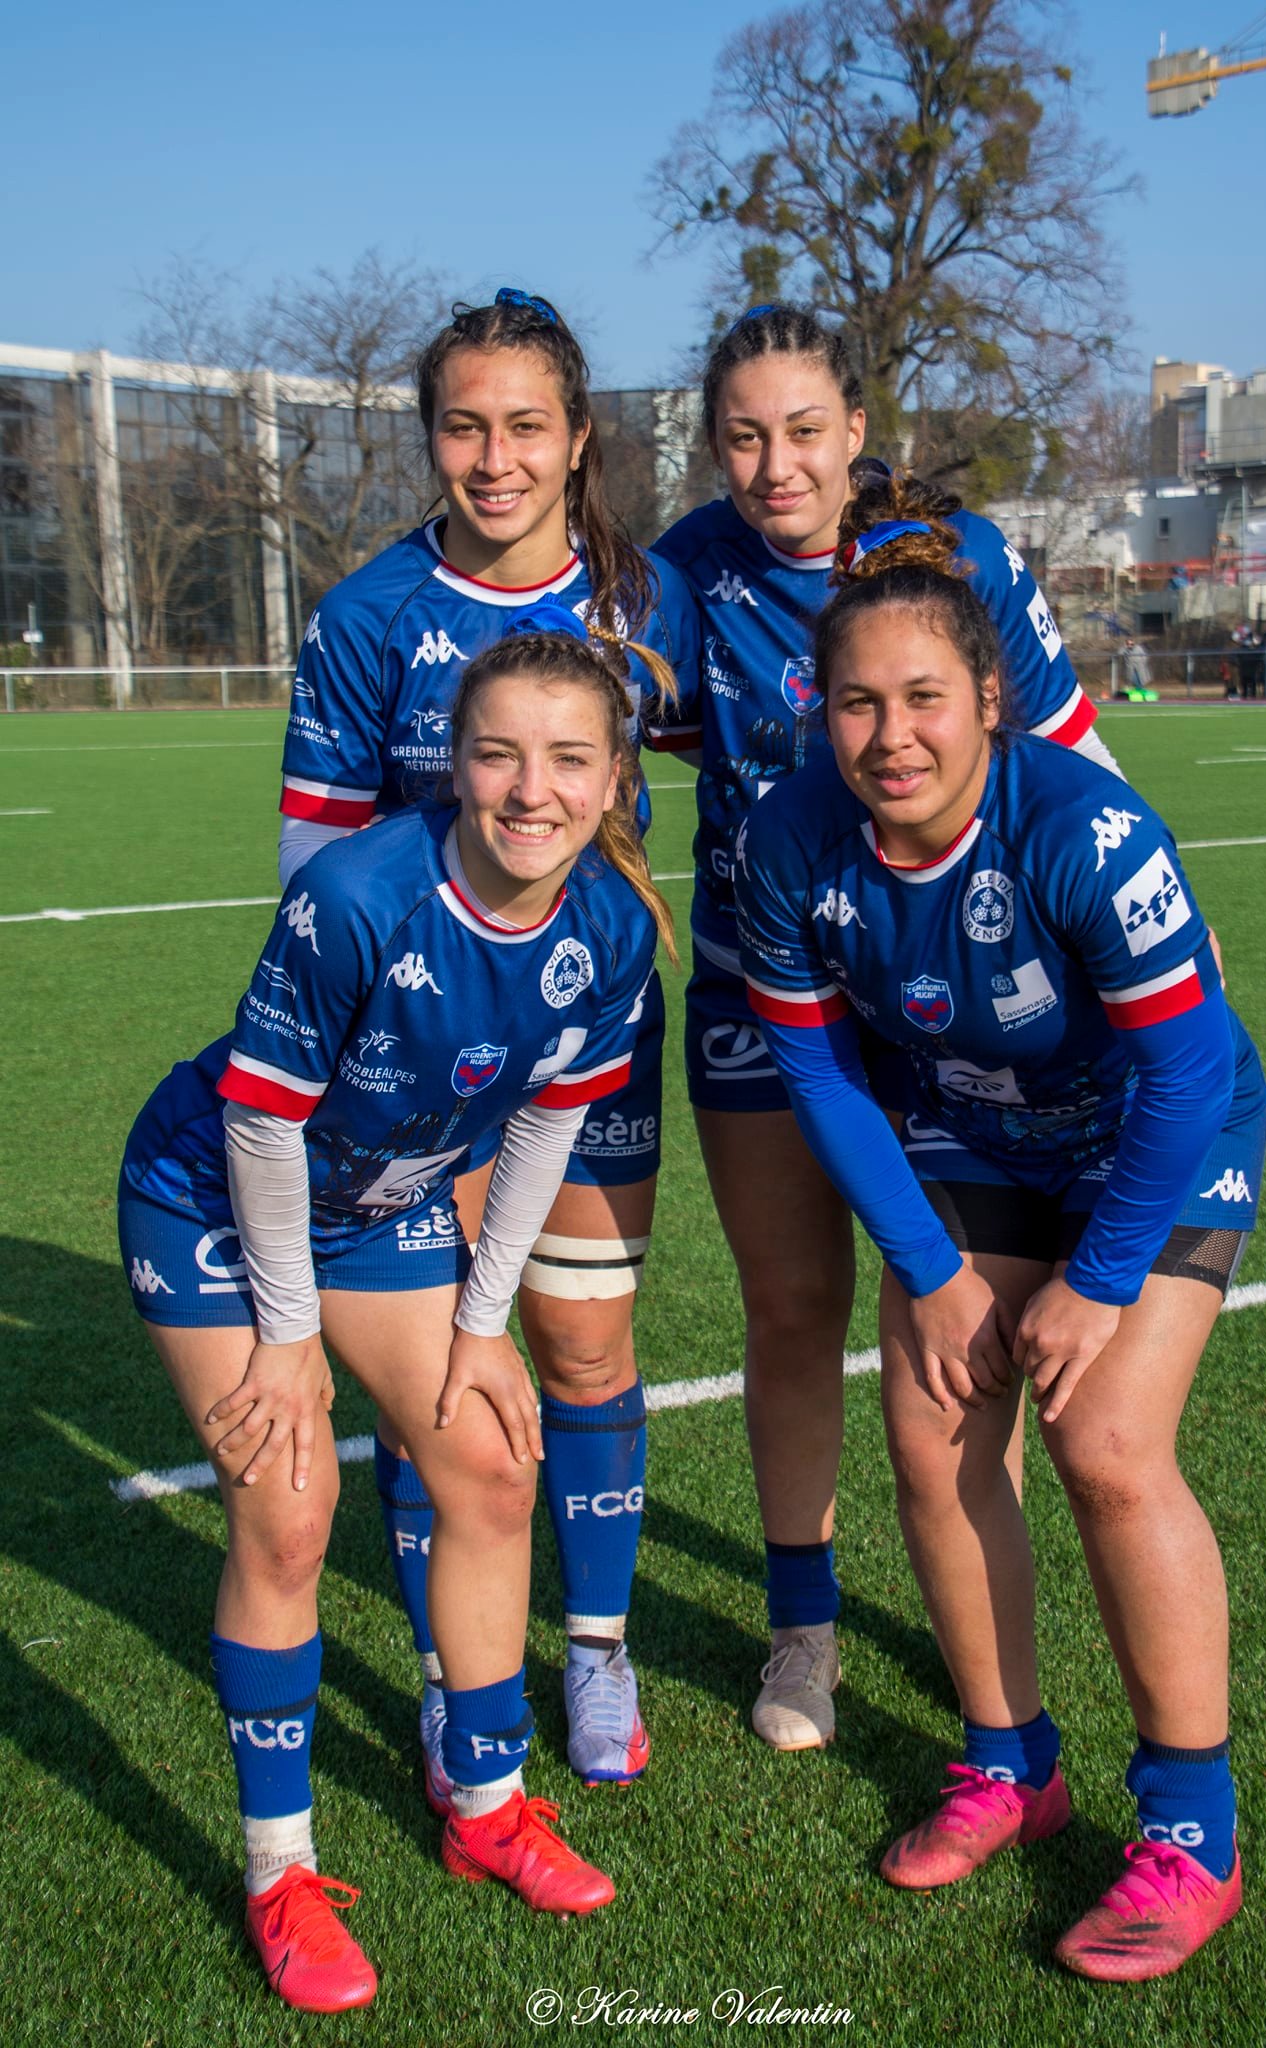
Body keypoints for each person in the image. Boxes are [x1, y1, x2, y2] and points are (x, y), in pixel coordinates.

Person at [732, 499, 1266, 1982]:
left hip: (1159, 1131)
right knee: (932, 1426)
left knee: (1101, 1442)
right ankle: (1007, 1765)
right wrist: (930, 1269)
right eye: (856, 701)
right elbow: (824, 1074)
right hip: (974, 1137)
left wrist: (1098, 1284)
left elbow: (1189, 1068)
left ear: (987, 701)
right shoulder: (787, 840)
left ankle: (1188, 1826)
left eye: (922, 699)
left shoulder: (1085, 831)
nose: (889, 735)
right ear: (817, 709)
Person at [118, 617, 671, 2007]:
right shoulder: (361, 895)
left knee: (487, 1461)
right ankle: (280, 1871)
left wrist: (485, 1323)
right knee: (289, 1500)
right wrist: (290, 1341)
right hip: (212, 1195)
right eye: (496, 756)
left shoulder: (610, 925)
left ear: (611, 782)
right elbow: (254, 1131)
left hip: (381, 1202)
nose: (528, 791)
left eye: (564, 761)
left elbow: (546, 1126)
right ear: (453, 767)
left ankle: (485, 1808)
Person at [651, 304, 1119, 1751]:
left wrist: (1143, 913)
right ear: (710, 444)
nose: (774, 464)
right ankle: (802, 1631)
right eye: (743, 435)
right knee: (794, 1306)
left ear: (856, 429)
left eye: (803, 430)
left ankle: (978, 1587)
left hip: (953, 995)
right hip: (768, 986)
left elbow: (1068, 754)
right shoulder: (685, 574)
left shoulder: (958, 556)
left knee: (969, 1326)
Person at [278, 288, 699, 1795]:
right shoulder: (367, 616)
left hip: (591, 1044)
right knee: (435, 1378)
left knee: (581, 1344)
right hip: (414, 1079)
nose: (497, 455)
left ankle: (593, 1651)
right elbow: (308, 867)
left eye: (527, 424)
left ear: (577, 438)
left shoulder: (651, 600)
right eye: (465, 424)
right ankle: (458, 1681)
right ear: (430, 439)